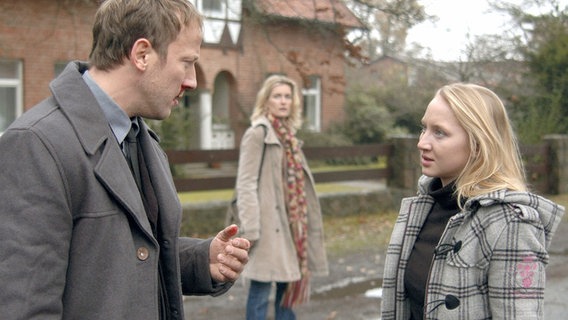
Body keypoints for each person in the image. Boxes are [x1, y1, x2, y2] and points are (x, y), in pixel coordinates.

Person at [0, 1, 250, 319]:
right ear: (142, 54)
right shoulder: (36, 145)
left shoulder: (139, 139)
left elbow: (124, 258)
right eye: (187, 62)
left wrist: (201, 261)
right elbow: (23, 306)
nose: (192, 81)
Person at [380, 83, 565, 319]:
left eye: (439, 132)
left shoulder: (511, 224)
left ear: (478, 143)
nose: (422, 143)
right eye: (424, 128)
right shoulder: (421, 207)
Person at [234, 75, 329, 319]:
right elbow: (245, 184)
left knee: (286, 294)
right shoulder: (258, 134)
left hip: (290, 226)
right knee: (261, 289)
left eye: (288, 96)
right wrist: (252, 228)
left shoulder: (290, 138)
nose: (283, 101)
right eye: (277, 96)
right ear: (266, 101)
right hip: (266, 226)